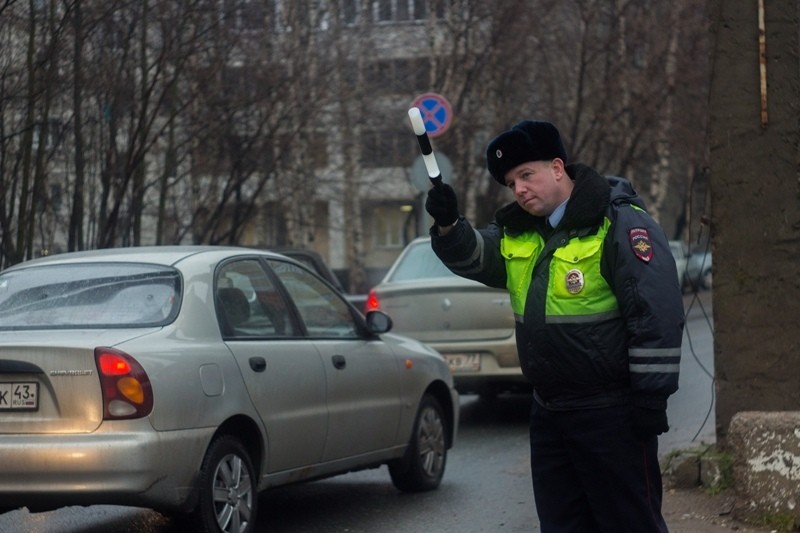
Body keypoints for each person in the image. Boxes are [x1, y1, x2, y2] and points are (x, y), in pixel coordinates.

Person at [425, 120, 684, 532]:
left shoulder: (617, 224)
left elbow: (655, 312)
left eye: (527, 175)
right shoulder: (520, 233)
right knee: (562, 524)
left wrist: (651, 401)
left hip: (612, 414)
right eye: (512, 182)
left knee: (629, 523)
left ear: (558, 168)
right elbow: (474, 256)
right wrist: (447, 224)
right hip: (549, 412)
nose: (520, 189)